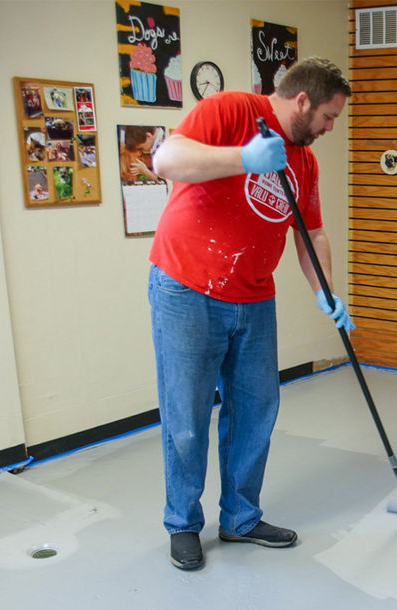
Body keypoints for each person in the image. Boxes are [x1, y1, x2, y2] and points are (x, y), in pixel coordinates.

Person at [147, 57, 353, 571]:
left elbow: (313, 233)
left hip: (254, 296)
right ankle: (183, 524)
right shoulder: (231, 110)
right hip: (188, 288)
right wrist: (243, 158)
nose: (330, 128)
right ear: (302, 100)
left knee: (256, 409)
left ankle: (240, 517)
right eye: (329, 116)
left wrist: (324, 290)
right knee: (187, 415)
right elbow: (166, 160)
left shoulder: (303, 161)